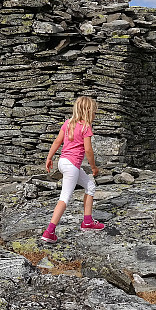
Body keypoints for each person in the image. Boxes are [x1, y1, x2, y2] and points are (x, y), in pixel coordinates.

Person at [41, 96, 106, 243]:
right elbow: (88, 150)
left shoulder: (68, 123)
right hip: (72, 166)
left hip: (63, 162)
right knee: (64, 198)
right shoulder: (86, 127)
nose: (95, 115)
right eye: (94, 112)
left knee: (90, 187)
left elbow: (58, 141)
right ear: (88, 112)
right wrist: (94, 167)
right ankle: (49, 232)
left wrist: (49, 157)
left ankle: (87, 222)